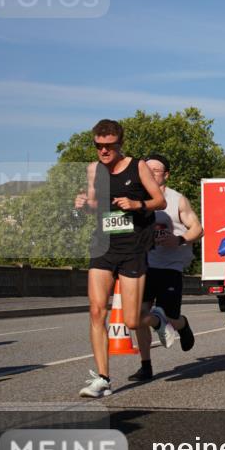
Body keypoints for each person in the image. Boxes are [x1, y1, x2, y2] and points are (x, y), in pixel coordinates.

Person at [74, 119, 167, 398]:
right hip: (103, 246)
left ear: (119, 144)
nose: (103, 151)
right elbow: (94, 205)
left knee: (131, 321)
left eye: (109, 146)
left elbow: (159, 201)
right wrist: (83, 205)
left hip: (133, 248)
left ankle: (157, 320)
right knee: (96, 311)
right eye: (98, 146)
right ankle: (103, 378)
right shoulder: (94, 170)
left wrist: (137, 204)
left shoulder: (138, 166)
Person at [129, 154, 203, 381]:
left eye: (156, 170)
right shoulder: (136, 200)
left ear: (166, 175)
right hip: (144, 265)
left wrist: (179, 240)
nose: (150, 173)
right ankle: (146, 365)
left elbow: (198, 229)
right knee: (139, 316)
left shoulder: (177, 199)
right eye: (146, 169)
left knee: (169, 316)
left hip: (170, 266)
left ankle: (182, 324)